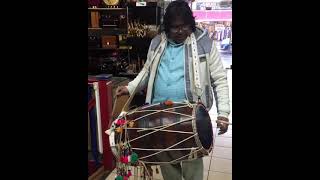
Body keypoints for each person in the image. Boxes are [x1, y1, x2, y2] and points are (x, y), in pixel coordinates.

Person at [116, 0, 230, 179]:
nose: (180, 31)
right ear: (167, 27)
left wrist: (223, 113)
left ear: (191, 24)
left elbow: (220, 79)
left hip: (191, 117)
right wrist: (130, 88)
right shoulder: (157, 42)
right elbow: (146, 71)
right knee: (167, 163)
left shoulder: (204, 43)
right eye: (175, 27)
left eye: (184, 26)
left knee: (192, 166)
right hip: (158, 113)